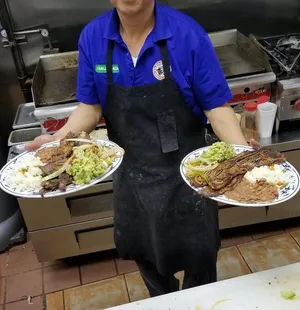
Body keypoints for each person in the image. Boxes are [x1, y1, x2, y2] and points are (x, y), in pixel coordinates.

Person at [27, 0, 256, 297]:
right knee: (147, 260)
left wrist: (244, 156)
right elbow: (90, 106)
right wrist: (61, 143)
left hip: (190, 178)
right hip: (132, 179)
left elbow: (217, 109)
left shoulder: (187, 35)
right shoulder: (93, 37)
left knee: (199, 262)